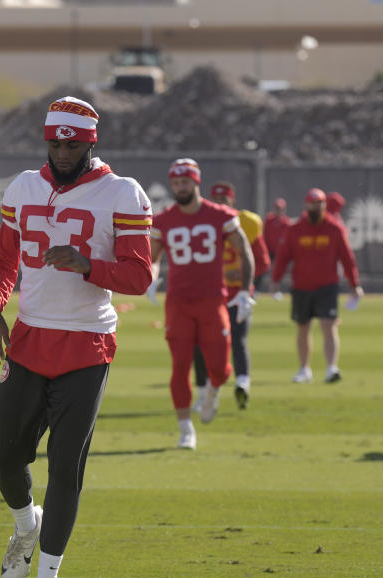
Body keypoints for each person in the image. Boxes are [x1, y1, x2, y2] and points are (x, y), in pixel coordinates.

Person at [0, 97, 152, 578]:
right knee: (3, 454)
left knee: (65, 467)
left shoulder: (123, 193)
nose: (60, 151)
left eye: (71, 143)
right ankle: (25, 526)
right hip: (31, 338)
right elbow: (5, 256)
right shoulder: (23, 186)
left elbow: (140, 277)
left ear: (91, 142)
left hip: (86, 344)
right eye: (53, 142)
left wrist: (87, 264)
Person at [150, 159, 254, 450]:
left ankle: (212, 391)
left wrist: (245, 291)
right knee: (180, 366)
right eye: (176, 183)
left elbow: (244, 249)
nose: (180, 187)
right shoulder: (165, 219)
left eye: (185, 182)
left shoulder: (220, 215)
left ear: (196, 182)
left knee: (220, 370)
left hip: (213, 302)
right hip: (179, 303)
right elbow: (153, 258)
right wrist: (151, 278)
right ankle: (185, 428)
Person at [270, 188, 362, 383]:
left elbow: (347, 258)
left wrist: (355, 284)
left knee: (328, 326)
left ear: (324, 205)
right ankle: (304, 369)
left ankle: (331, 367)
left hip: (327, 285)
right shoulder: (295, 229)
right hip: (302, 286)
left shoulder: (334, 228)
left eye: (319, 203)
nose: (315, 207)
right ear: (306, 205)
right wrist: (275, 280)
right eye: (312, 203)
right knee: (303, 328)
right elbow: (283, 257)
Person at [192, 182, 270, 411]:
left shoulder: (246, 223)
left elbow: (263, 262)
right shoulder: (201, 223)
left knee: (238, 338)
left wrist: (244, 275)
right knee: (201, 342)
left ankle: (243, 383)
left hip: (238, 293)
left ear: (232, 201)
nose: (219, 204)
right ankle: (204, 390)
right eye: (215, 199)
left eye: (223, 200)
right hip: (210, 293)